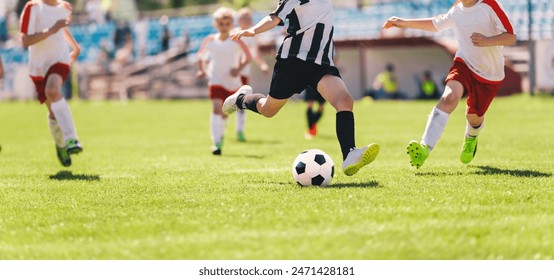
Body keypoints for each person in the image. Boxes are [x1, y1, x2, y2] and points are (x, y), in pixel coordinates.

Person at [225, 0, 380, 176]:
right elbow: (275, 17)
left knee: (344, 100)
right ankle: (240, 99)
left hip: (321, 62)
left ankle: (349, 153)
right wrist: (254, 30)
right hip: (294, 61)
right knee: (268, 110)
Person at [383, 0, 516, 168]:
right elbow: (435, 24)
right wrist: (404, 23)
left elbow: (511, 37)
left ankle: (471, 136)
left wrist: (487, 40)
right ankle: (424, 148)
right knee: (449, 98)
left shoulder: (490, 5)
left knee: (474, 118)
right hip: (464, 64)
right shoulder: (456, 10)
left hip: (490, 74)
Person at [20, 0, 83, 167]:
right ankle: (61, 145)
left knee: (52, 90)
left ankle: (72, 139)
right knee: (53, 112)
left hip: (59, 59)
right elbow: (25, 41)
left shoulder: (65, 7)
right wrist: (51, 30)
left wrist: (75, 47)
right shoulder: (32, 8)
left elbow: (61, 28)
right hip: (39, 66)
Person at [197, 7, 251, 155]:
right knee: (216, 108)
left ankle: (220, 133)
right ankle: (216, 143)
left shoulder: (236, 40)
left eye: (227, 23)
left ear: (232, 24)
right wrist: (201, 70)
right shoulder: (210, 40)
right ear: (216, 24)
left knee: (225, 112)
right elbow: (200, 57)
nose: (224, 26)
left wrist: (238, 69)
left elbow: (248, 57)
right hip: (215, 78)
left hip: (232, 81)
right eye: (221, 23)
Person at [234, 8, 270, 142]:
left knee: (240, 101)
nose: (246, 20)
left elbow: (256, 53)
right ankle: (220, 130)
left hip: (243, 74)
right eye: (243, 17)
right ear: (238, 20)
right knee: (224, 101)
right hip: (230, 73)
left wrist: (262, 64)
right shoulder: (232, 33)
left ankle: (240, 130)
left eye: (248, 18)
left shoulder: (251, 36)